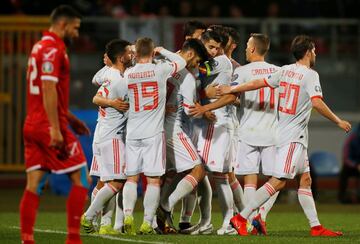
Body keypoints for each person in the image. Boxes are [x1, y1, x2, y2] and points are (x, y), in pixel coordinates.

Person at [218, 35, 351, 236]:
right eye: (314, 50)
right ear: (307, 52)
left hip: (292, 137)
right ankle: (242, 217)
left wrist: (233, 88)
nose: (315, 54)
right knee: (278, 181)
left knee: (305, 180)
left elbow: (258, 83)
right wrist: (338, 121)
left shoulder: (285, 70)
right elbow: (316, 102)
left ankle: (316, 227)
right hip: (291, 138)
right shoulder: (310, 75)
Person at [21, 5, 90, 244]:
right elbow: (49, 88)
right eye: (75, 27)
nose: (77, 33)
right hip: (47, 125)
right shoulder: (53, 49)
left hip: (31, 123)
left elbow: (46, 92)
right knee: (82, 179)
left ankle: (26, 239)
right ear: (63, 24)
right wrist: (55, 127)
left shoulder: (39, 45)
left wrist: (71, 119)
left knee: (33, 184)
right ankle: (73, 240)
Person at [122, 37, 187, 235]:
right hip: (153, 133)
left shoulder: (129, 73)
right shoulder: (160, 70)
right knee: (153, 180)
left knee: (131, 179)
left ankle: (127, 216)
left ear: (136, 53)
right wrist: (163, 51)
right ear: (152, 53)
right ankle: (147, 223)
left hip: (133, 132)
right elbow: (182, 61)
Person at [155, 39, 210, 233]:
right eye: (197, 61)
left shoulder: (161, 65)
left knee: (170, 174)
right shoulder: (186, 76)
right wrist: (205, 110)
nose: (197, 66)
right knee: (198, 170)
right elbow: (188, 110)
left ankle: (156, 220)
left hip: (153, 128)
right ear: (190, 54)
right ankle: (165, 207)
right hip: (173, 129)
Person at [81, 39, 133, 234]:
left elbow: (96, 93)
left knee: (105, 181)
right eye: (129, 52)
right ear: (121, 57)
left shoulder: (110, 74)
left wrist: (109, 102)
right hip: (113, 136)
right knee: (118, 181)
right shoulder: (121, 80)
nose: (132, 55)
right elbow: (96, 98)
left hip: (104, 134)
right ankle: (89, 216)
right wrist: (112, 102)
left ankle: (103, 225)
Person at [189, 29, 238, 235]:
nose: (215, 51)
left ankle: (231, 221)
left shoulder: (221, 62)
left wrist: (204, 105)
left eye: (217, 47)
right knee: (218, 176)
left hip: (217, 123)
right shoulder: (216, 62)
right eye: (211, 47)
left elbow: (197, 70)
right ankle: (214, 221)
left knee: (214, 174)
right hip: (215, 123)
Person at [231, 33, 280, 235]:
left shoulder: (241, 72)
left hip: (248, 132)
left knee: (249, 180)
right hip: (272, 132)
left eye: (247, 46)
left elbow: (232, 97)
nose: (245, 49)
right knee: (276, 179)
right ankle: (262, 215)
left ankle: (250, 221)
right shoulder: (278, 71)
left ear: (252, 49)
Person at [338, 123, 360, 203]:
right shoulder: (352, 137)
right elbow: (346, 157)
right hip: (352, 165)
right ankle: (341, 199)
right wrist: (355, 165)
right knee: (344, 173)